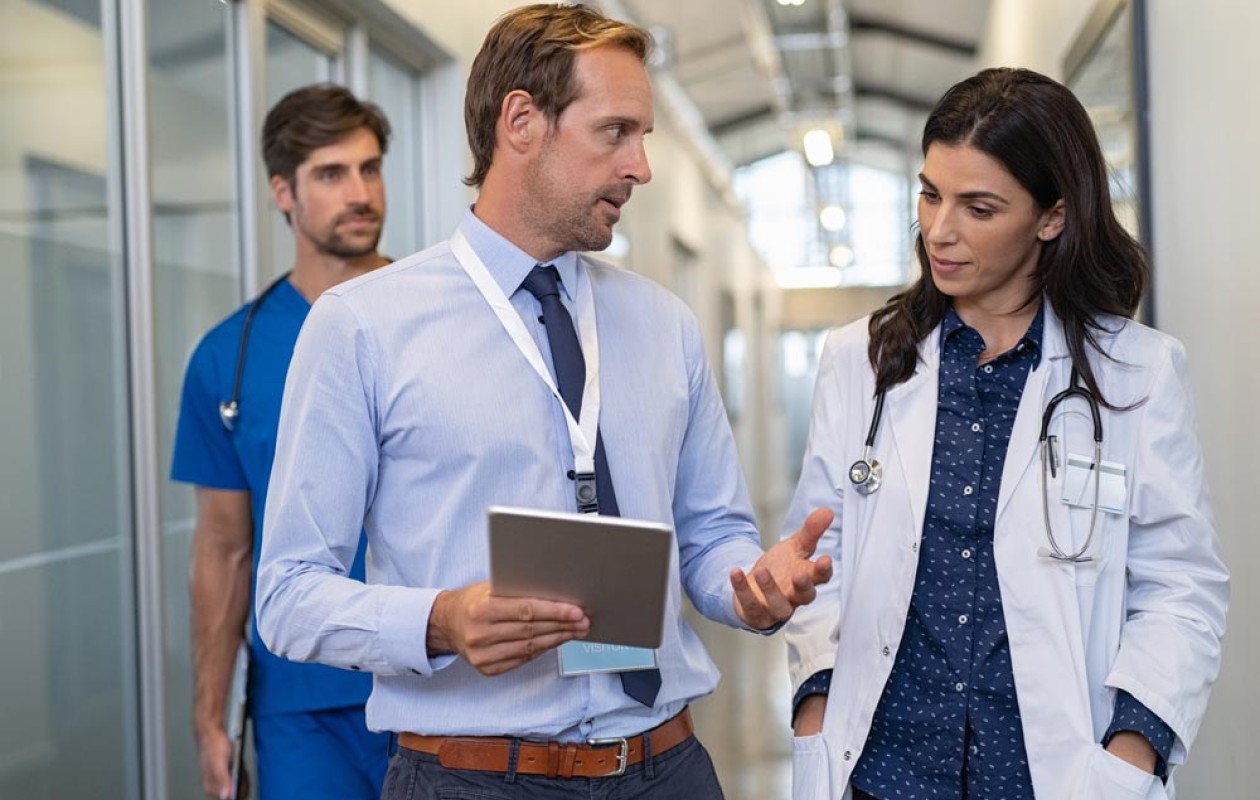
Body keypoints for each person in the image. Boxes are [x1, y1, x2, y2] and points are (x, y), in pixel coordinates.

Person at [254, 5, 832, 799]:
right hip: (474, 778)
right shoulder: (363, 326)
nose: (641, 167)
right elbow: (287, 593)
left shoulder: (664, 324)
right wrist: (441, 620)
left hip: (665, 768)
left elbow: (712, 537)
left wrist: (753, 583)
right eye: (615, 132)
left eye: (645, 136)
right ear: (522, 121)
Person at [782, 67, 1229, 800]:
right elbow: (819, 548)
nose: (939, 230)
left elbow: (1182, 585)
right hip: (882, 771)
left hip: (1052, 776)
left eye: (978, 207)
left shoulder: (1137, 373)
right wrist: (816, 705)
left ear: (1051, 216)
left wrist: (1131, 752)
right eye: (929, 194)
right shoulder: (858, 359)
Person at [171, 83, 393, 799]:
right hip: (299, 706)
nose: (359, 192)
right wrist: (210, 717)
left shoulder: (443, 320)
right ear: (283, 193)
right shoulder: (228, 357)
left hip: (444, 682)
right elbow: (224, 548)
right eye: (330, 174)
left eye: (369, 167)